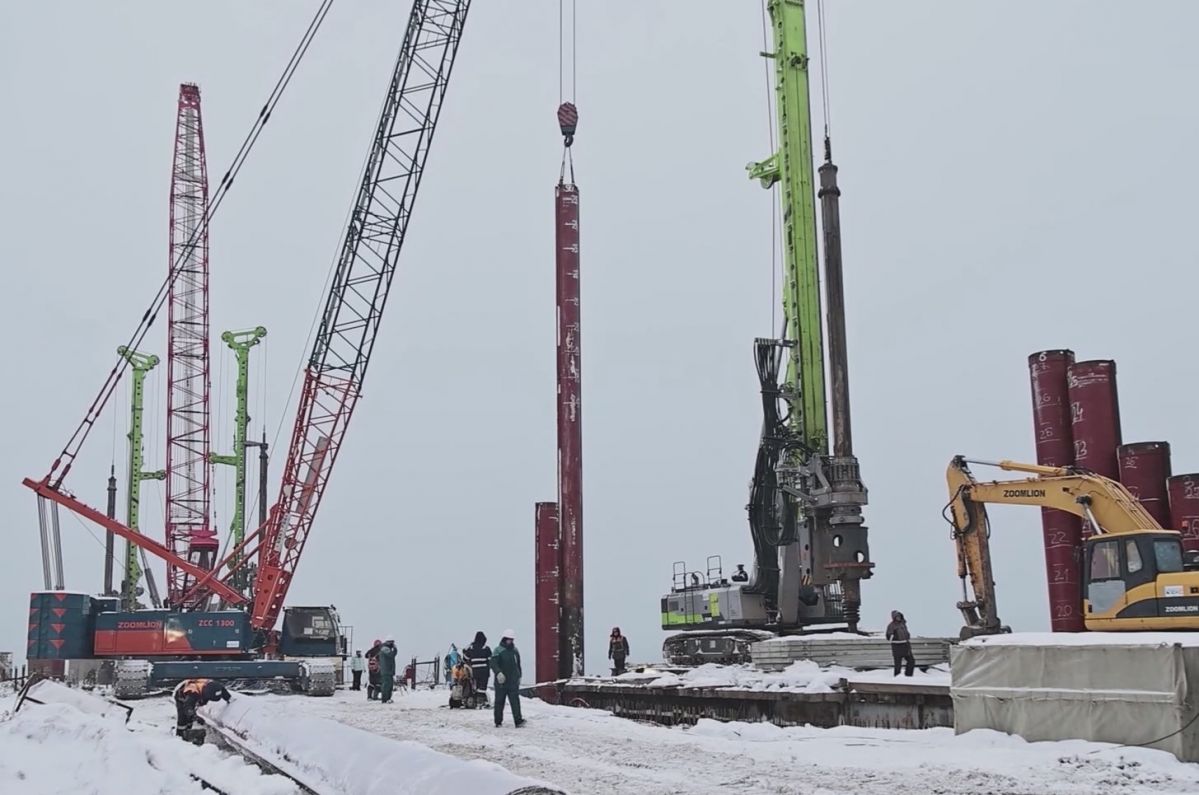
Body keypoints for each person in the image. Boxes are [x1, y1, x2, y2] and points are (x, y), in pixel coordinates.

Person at [173, 678, 231, 742]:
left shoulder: (216, 686)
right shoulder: (192, 694)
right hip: (181, 695)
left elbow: (223, 690)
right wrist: (196, 717)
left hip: (195, 690)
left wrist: (228, 698)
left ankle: (188, 731)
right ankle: (179, 737)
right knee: (183, 718)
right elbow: (188, 708)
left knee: (189, 720)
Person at [490, 629, 524, 727]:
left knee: (515, 701)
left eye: (512, 639)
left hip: (513, 681)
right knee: (499, 702)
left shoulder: (515, 651)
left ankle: (518, 720)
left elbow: (518, 664)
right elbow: (493, 663)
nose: (511, 641)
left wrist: (519, 675)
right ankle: (498, 721)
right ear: (504, 639)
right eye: (509, 639)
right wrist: (498, 673)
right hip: (501, 682)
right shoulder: (498, 650)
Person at [464, 631, 492, 706]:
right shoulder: (486, 648)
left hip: (475, 671)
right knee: (482, 687)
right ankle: (480, 701)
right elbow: (491, 659)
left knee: (475, 685)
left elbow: (466, 657)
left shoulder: (471, 647)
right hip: (484, 671)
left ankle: (475, 700)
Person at [886, 610, 915, 677]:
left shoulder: (903, 624)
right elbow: (888, 637)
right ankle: (897, 678)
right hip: (897, 647)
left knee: (911, 661)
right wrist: (894, 636)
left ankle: (908, 676)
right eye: (897, 616)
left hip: (905, 645)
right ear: (894, 617)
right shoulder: (891, 626)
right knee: (898, 664)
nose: (898, 617)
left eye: (899, 616)